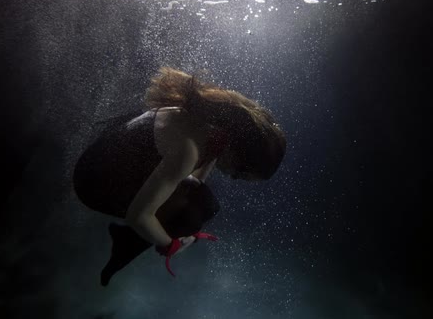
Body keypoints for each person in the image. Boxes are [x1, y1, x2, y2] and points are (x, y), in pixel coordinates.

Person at [73, 67, 286, 285]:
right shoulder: (188, 150)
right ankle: (127, 243)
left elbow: (195, 182)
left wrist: (182, 228)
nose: (231, 177)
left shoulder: (217, 129)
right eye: (239, 173)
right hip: (92, 181)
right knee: (191, 215)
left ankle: (132, 238)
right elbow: (138, 216)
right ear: (236, 150)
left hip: (115, 151)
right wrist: (172, 244)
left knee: (201, 204)